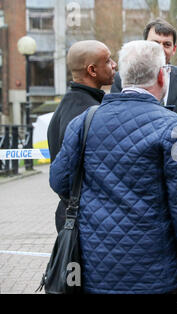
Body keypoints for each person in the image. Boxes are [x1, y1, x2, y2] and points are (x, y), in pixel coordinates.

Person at [49, 40, 177, 294]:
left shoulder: (83, 123)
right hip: (157, 272)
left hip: (93, 268)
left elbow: (58, 181)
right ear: (160, 75)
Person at [47, 40, 117, 232]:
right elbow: (63, 176)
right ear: (92, 70)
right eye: (108, 60)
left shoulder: (66, 105)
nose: (114, 64)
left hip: (75, 214)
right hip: (85, 220)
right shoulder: (88, 112)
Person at [111, 17, 177, 142]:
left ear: (174, 49)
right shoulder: (122, 77)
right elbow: (115, 121)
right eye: (155, 43)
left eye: (167, 44)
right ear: (144, 44)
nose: (160, 49)